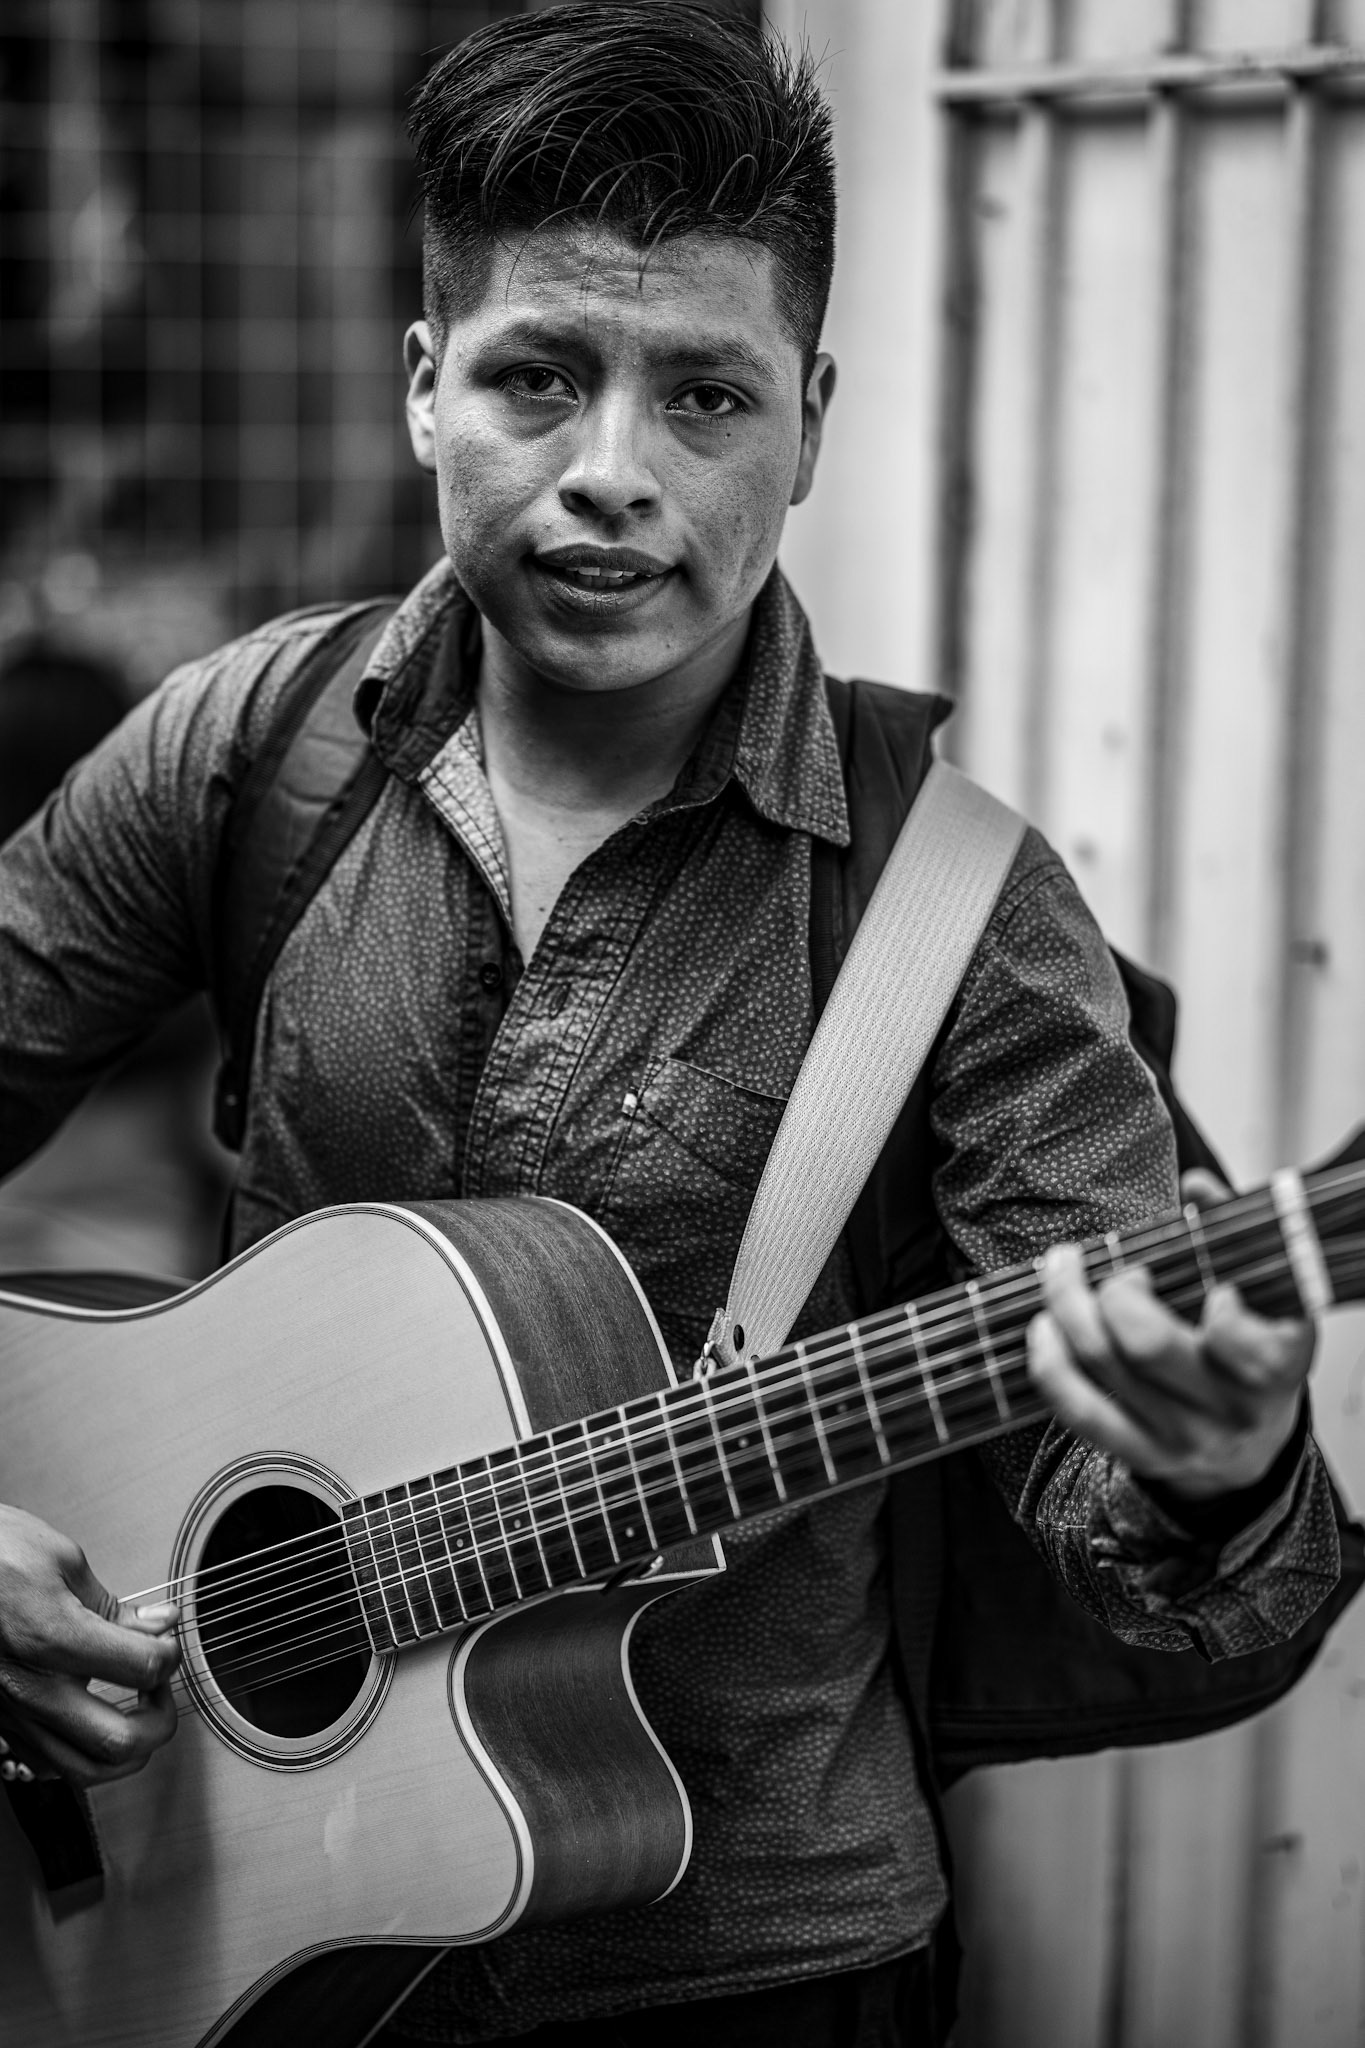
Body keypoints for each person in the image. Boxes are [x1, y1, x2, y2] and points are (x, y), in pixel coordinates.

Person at [0, 9, 1338, 2044]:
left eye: (701, 394)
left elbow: (1141, 1561)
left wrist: (1214, 1462)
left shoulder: (952, 916)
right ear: (423, 388)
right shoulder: (248, 750)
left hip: (752, 1965)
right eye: (540, 376)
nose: (610, 476)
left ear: (803, 417)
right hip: (224, 1923)